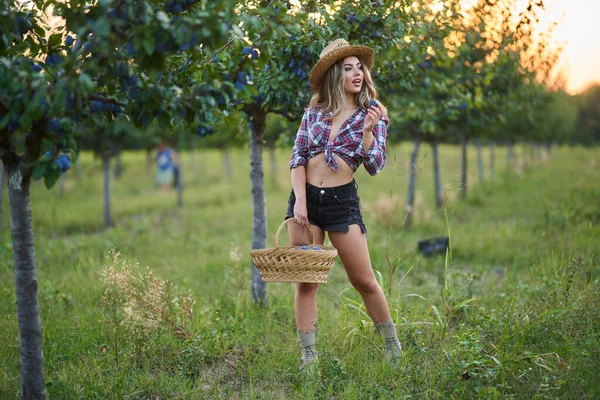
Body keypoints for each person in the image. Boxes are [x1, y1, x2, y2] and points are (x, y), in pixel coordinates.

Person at [286, 38, 402, 366]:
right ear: (335, 75)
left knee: (363, 280)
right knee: (307, 282)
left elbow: (375, 165)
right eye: (348, 68)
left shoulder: (373, 113)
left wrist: (367, 132)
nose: (357, 74)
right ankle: (309, 357)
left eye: (359, 68)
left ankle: (393, 347)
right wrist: (299, 203)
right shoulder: (314, 113)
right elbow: (298, 157)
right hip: (305, 201)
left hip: (341, 202)